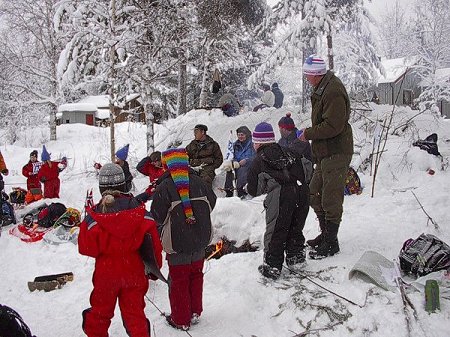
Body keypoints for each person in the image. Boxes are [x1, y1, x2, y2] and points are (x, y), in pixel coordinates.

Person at [78, 163, 163, 337]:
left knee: (99, 314)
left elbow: (86, 247)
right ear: (124, 185)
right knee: (135, 316)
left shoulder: (94, 216)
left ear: (102, 187)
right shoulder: (140, 212)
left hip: (106, 273)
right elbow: (154, 246)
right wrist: (154, 270)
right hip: (134, 271)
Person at [151, 148, 216, 331]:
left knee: (179, 279)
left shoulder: (165, 187)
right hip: (200, 238)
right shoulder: (199, 181)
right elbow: (212, 201)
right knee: (196, 275)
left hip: (178, 240)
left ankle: (181, 319)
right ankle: (195, 311)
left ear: (167, 165)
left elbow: (157, 214)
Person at [297, 55, 353, 259]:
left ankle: (332, 242)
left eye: (307, 74)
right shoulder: (322, 87)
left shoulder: (333, 91)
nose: (306, 78)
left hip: (336, 151)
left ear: (315, 74)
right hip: (324, 152)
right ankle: (326, 234)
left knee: (330, 196)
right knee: (314, 193)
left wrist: (308, 133)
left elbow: (333, 126)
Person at [247, 122, 308, 280]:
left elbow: (254, 189)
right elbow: (306, 169)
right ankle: (296, 258)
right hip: (301, 192)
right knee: (295, 226)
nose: (254, 145)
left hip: (281, 196)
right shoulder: (289, 152)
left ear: (259, 142)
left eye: (254, 142)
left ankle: (272, 266)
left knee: (276, 231)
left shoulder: (259, 160)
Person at [223, 126, 256, 198]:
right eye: (239, 135)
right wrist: (234, 162)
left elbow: (255, 156)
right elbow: (232, 155)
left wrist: (246, 160)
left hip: (249, 165)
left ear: (246, 135)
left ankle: (241, 190)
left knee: (242, 170)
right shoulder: (235, 145)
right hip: (238, 164)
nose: (240, 137)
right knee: (230, 170)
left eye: (242, 135)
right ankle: (229, 190)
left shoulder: (252, 144)